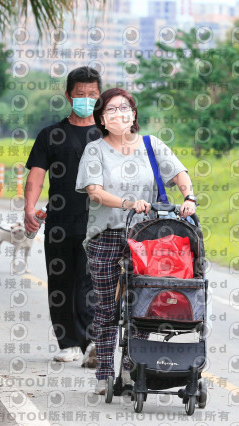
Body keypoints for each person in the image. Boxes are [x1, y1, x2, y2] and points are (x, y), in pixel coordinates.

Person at [76, 87, 197, 394]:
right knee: (107, 307)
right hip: (106, 235)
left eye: (125, 107)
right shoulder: (95, 150)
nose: (120, 114)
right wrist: (128, 203)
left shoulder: (150, 144)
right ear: (102, 118)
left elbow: (179, 172)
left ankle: (134, 370)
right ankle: (104, 373)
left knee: (142, 306)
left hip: (145, 237)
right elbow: (95, 192)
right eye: (112, 110)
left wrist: (189, 197)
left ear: (134, 113)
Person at [24, 66, 102, 367]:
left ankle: (93, 340)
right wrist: (29, 208)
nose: (85, 99)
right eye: (80, 94)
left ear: (99, 96)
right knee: (61, 283)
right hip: (59, 223)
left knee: (91, 283)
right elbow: (36, 176)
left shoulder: (107, 135)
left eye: (91, 95)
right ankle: (69, 343)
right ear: (69, 96)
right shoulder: (51, 134)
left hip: (99, 223)